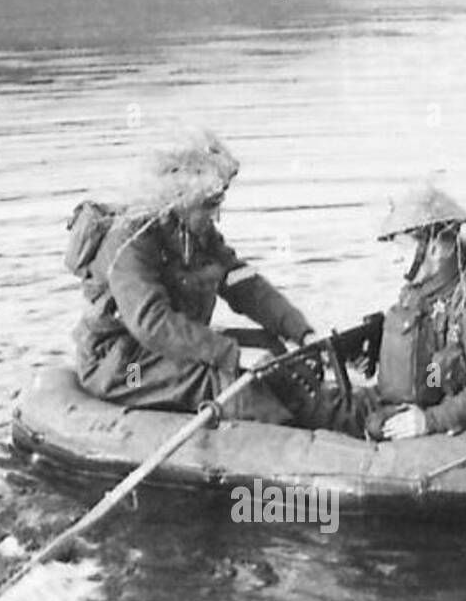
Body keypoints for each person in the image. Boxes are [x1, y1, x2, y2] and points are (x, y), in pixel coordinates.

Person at [74, 127, 348, 429]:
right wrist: (231, 353)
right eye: (209, 204)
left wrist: (301, 332)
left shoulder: (195, 234)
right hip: (124, 366)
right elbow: (151, 323)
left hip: (160, 351)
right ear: (178, 197)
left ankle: (320, 415)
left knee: (270, 348)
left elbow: (242, 283)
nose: (217, 215)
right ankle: (284, 439)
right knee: (223, 380)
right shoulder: (129, 243)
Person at [358, 183, 466, 441]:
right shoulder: (419, 293)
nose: (394, 259)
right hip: (419, 397)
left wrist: (430, 421)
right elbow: (430, 368)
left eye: (402, 248)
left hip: (442, 420)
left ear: (433, 249)